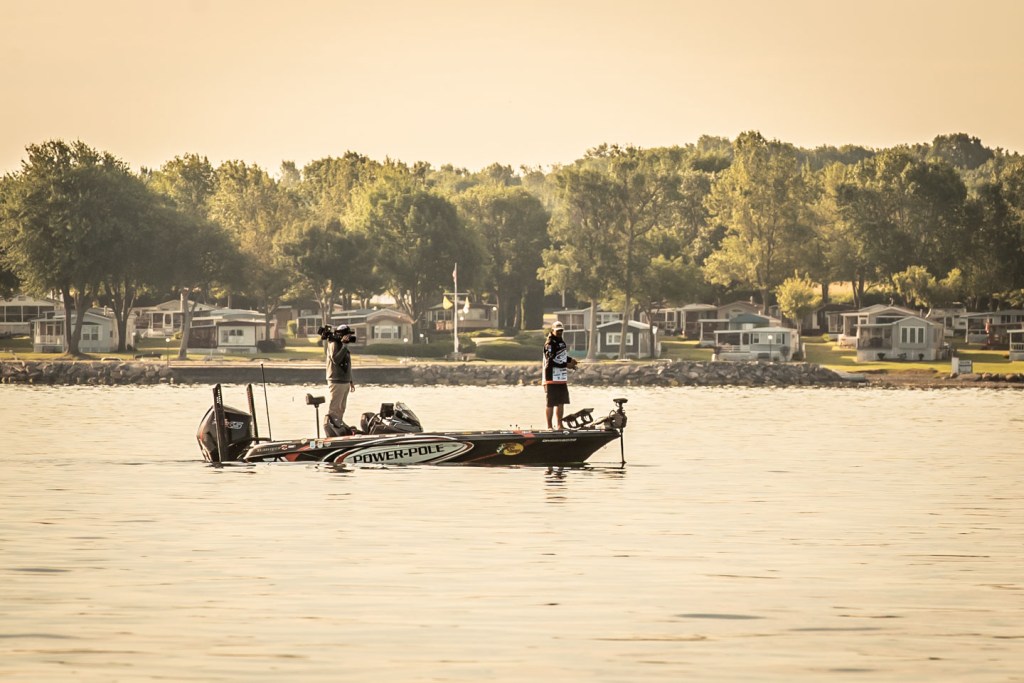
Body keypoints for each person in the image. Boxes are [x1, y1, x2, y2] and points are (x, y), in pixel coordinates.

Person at [543, 320, 577, 429]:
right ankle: (549, 426)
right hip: (551, 377)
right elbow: (551, 361)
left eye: (561, 331)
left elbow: (561, 356)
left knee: (561, 402)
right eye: (557, 331)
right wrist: (567, 365)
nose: (559, 332)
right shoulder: (549, 343)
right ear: (552, 330)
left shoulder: (561, 342)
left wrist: (571, 360)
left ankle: (559, 425)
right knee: (551, 403)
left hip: (561, 377)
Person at [325, 324, 356, 435]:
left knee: (341, 407)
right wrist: (344, 346)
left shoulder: (343, 345)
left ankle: (339, 425)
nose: (349, 337)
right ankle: (331, 429)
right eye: (347, 335)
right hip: (336, 380)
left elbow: (348, 364)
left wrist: (351, 380)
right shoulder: (333, 343)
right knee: (335, 408)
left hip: (345, 381)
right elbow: (336, 360)